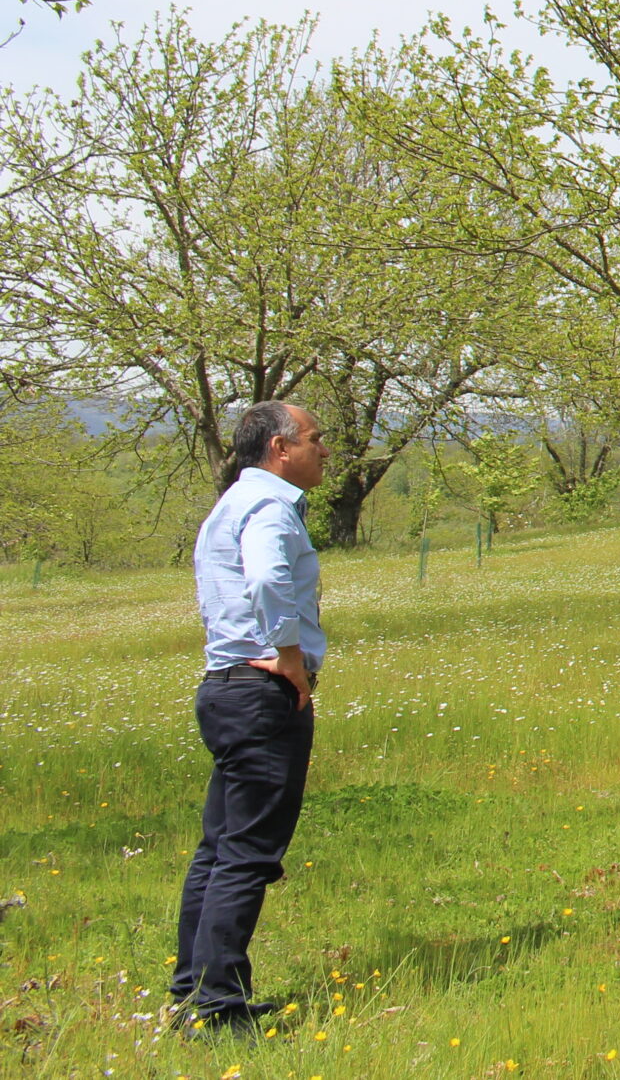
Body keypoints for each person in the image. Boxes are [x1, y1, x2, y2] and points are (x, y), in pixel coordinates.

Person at [172, 400, 330, 1035]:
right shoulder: (268, 506)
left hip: (225, 687)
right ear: (279, 449)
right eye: (314, 439)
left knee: (219, 849)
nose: (324, 450)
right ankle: (218, 1008)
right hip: (262, 691)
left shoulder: (231, 503)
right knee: (247, 853)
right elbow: (266, 580)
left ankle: (191, 994)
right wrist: (289, 656)